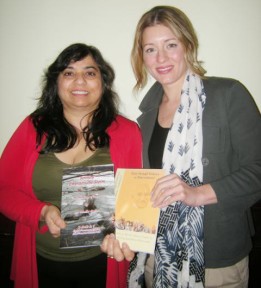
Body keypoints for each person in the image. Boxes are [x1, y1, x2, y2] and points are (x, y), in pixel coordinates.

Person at [101, 5, 261, 288]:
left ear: (188, 44)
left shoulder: (228, 95)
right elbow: (146, 189)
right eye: (150, 49)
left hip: (215, 263)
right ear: (142, 56)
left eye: (170, 45)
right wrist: (120, 223)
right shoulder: (145, 118)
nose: (160, 58)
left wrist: (197, 194)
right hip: (157, 260)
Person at [0, 43, 142, 288]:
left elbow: (137, 201)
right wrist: (41, 212)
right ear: (56, 82)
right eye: (68, 72)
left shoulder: (128, 132)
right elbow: (3, 189)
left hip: (101, 262)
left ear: (103, 83)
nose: (79, 81)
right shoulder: (32, 128)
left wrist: (122, 236)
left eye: (89, 73)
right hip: (41, 262)